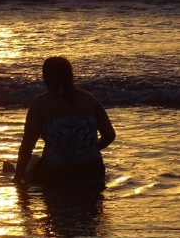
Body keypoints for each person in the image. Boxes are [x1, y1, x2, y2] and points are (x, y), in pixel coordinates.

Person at [13, 56, 115, 186]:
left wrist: (17, 178)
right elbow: (110, 135)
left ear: (45, 78)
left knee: (31, 165)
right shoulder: (89, 99)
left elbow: (27, 145)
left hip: (57, 173)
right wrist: (87, 149)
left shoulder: (40, 104)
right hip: (92, 170)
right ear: (71, 75)